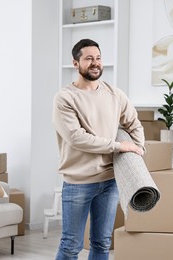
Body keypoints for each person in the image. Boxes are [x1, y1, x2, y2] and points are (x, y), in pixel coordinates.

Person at [52, 38, 145, 260]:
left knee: (102, 243)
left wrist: (138, 148)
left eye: (98, 58)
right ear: (76, 64)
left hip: (109, 181)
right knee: (70, 245)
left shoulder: (115, 93)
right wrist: (119, 146)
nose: (95, 63)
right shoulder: (65, 97)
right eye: (89, 59)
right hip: (78, 182)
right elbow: (77, 138)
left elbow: (134, 122)